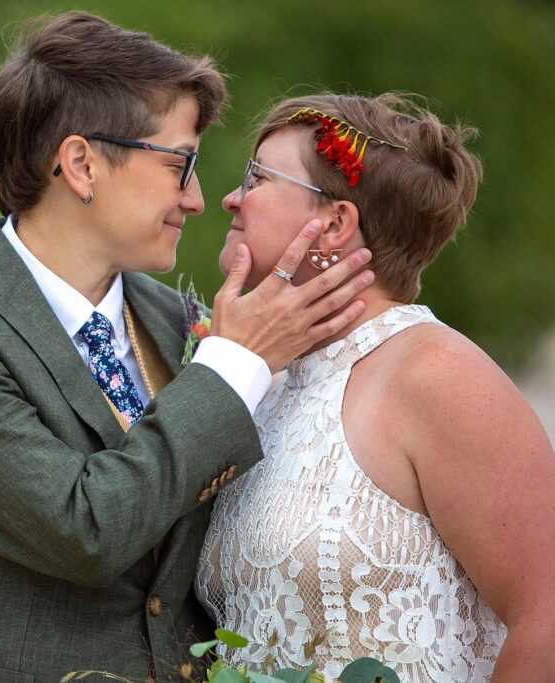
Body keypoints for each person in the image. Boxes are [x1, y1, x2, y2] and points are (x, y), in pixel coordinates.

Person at [0, 13, 375, 681]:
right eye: (182, 164)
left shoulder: (182, 324)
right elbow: (84, 529)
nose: (197, 199)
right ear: (82, 164)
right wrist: (235, 365)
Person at [196, 92, 555, 682]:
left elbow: (544, 616)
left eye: (257, 178)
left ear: (334, 223)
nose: (232, 197)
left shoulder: (436, 374)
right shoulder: (269, 383)